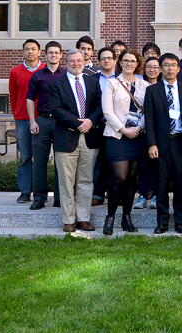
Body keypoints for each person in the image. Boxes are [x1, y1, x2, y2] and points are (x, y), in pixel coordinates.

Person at [48, 49, 104, 232]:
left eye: (79, 60)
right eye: (72, 61)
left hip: (89, 138)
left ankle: (83, 218)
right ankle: (68, 220)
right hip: (66, 138)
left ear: (84, 61)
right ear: (66, 63)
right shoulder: (57, 84)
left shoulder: (93, 82)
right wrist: (77, 123)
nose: (76, 64)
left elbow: (99, 106)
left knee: (86, 181)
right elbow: (55, 110)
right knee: (66, 181)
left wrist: (90, 121)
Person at [144, 53, 182, 234]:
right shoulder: (152, 91)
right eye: (166, 65)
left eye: (173, 65)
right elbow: (149, 119)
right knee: (161, 185)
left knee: (180, 185)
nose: (170, 68)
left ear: (178, 68)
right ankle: (163, 223)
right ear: (160, 68)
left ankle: (181, 222)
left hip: (181, 142)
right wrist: (151, 144)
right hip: (160, 145)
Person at [101, 50, 149, 235]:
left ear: (137, 64)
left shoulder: (144, 85)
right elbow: (107, 111)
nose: (129, 63)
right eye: (126, 60)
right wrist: (124, 129)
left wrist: (138, 129)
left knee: (131, 179)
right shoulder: (111, 83)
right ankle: (110, 217)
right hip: (117, 136)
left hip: (137, 136)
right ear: (120, 62)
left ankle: (126, 218)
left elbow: (147, 111)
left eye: (133, 61)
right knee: (119, 177)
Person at [26, 41, 64, 210]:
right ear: (45, 55)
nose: (53, 55)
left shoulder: (66, 75)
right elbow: (29, 99)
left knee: (61, 161)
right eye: (50, 52)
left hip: (61, 122)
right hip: (42, 120)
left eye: (56, 52)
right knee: (40, 161)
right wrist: (32, 121)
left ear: (61, 55)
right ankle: (39, 198)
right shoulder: (37, 75)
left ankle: (59, 197)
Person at [9, 39, 44, 203]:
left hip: (43, 119)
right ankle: (24, 191)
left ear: (39, 52)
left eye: (33, 49)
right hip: (23, 121)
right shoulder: (15, 72)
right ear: (23, 52)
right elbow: (13, 96)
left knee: (41, 158)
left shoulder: (46, 70)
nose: (30, 52)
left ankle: (40, 193)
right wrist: (17, 115)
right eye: (27, 49)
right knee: (25, 158)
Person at [91, 46, 117, 206]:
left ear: (115, 61)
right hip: (98, 126)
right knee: (98, 161)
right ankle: (98, 194)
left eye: (109, 58)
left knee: (115, 161)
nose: (106, 61)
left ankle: (115, 193)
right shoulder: (92, 79)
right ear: (98, 61)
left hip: (116, 126)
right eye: (103, 58)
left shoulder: (121, 79)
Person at [135, 56, 161, 210]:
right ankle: (142, 195)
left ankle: (157, 194)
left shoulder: (164, 86)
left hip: (160, 132)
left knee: (158, 165)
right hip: (142, 131)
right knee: (144, 165)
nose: (152, 70)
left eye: (155, 67)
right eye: (149, 67)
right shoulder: (139, 86)